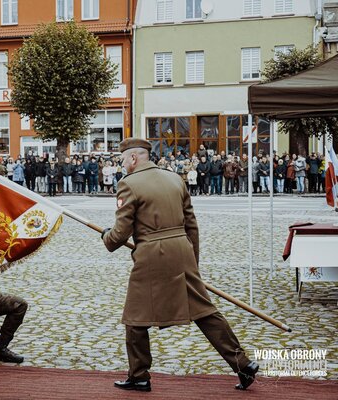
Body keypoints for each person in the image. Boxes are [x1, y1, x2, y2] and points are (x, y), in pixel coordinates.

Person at [101, 138, 258, 393]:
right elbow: (191, 223)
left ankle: (139, 375)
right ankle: (242, 363)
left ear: (133, 158)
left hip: (152, 254)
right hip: (182, 250)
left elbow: (120, 232)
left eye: (123, 159)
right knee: (204, 311)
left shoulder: (128, 184)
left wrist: (107, 237)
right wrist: (192, 260)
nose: (122, 165)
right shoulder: (174, 178)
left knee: (135, 316)